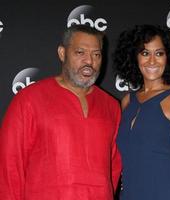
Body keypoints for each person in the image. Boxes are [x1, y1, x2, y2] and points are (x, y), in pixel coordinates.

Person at [0, 25, 122, 200]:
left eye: (96, 54)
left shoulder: (111, 106)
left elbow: (114, 167)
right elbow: (9, 165)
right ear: (62, 53)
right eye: (80, 53)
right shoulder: (30, 99)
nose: (89, 62)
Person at [114, 24, 170, 200]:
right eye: (145, 53)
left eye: (159, 53)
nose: (152, 60)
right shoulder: (127, 101)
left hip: (165, 193)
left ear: (169, 58)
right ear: (134, 57)